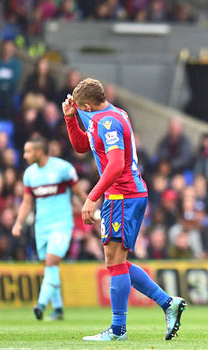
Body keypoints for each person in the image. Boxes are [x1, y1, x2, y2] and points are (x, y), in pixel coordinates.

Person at [61, 78, 186, 341]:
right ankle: (167, 303)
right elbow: (83, 146)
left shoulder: (107, 122)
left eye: (79, 108)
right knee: (117, 262)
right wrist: (71, 119)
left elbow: (116, 164)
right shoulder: (111, 114)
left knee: (115, 263)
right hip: (125, 195)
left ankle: (118, 330)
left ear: (86, 104)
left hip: (122, 195)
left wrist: (92, 197)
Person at [11, 136, 86, 321]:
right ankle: (58, 309)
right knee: (49, 267)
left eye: (28, 151)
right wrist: (18, 223)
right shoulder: (30, 174)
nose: (25, 155)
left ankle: (41, 304)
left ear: (39, 152)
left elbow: (78, 193)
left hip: (61, 224)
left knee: (51, 263)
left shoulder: (63, 169)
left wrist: (94, 210)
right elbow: (27, 202)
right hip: (41, 226)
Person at [0, 39, 21, 120]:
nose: (8, 51)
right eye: (6, 49)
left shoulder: (16, 64)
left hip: (10, 92)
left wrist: (1, 79)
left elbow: (14, 80)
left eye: (10, 49)